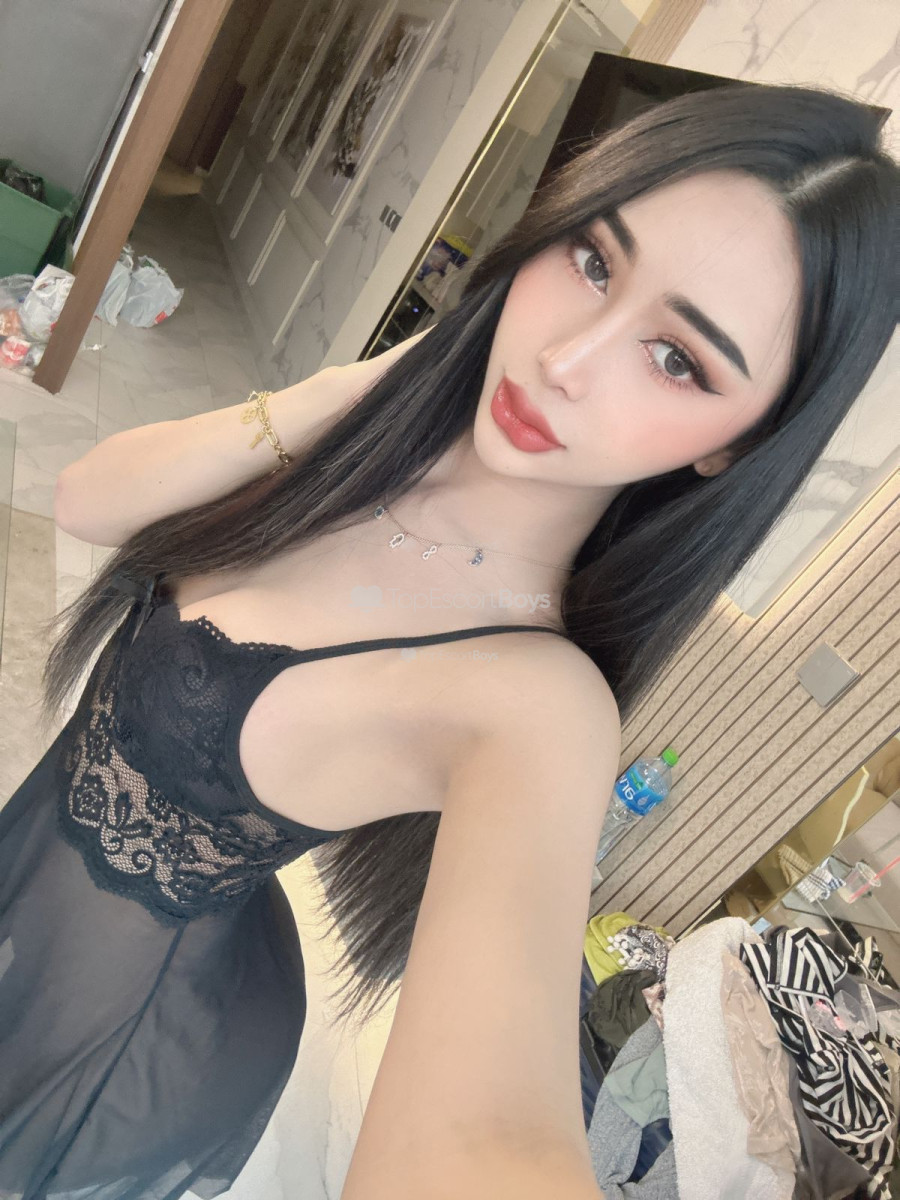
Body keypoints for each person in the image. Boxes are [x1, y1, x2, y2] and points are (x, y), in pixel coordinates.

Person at [0, 79, 896, 1199]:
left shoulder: (534, 703)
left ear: (736, 444)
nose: (568, 357)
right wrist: (359, 389)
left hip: (96, 1074)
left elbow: (487, 1143)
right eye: (593, 260)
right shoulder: (366, 449)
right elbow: (87, 498)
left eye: (679, 359)